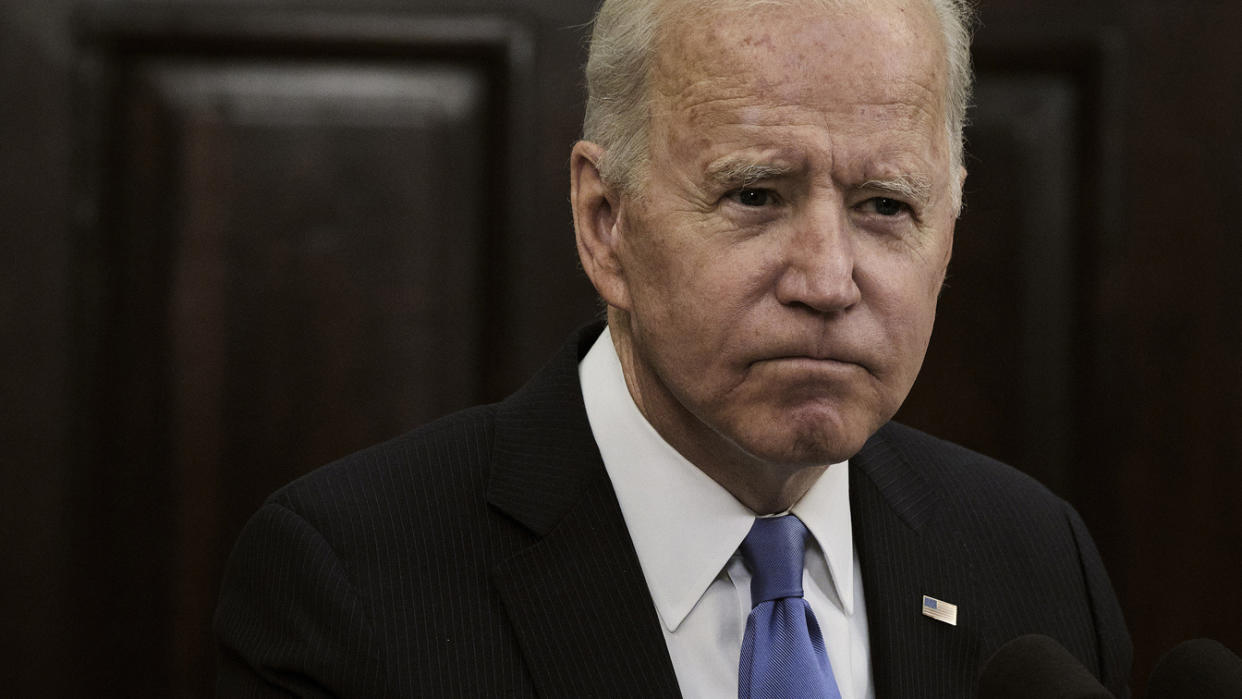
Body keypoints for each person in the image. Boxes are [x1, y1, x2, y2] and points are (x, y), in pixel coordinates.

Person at [214, 0, 1132, 696]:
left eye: (886, 206)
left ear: (953, 220)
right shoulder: (352, 582)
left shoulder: (1033, 558)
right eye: (756, 195)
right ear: (605, 221)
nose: (826, 279)